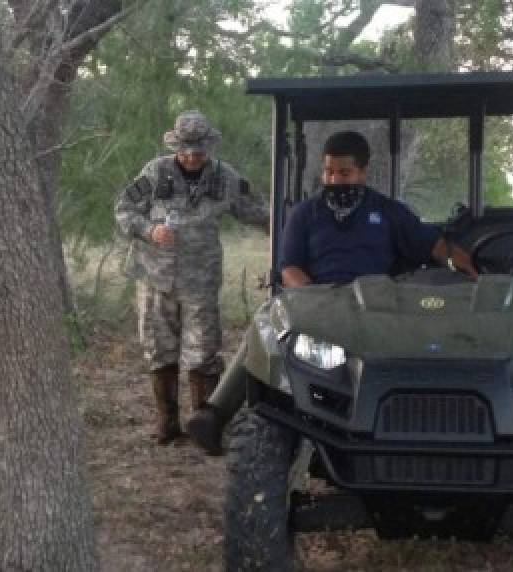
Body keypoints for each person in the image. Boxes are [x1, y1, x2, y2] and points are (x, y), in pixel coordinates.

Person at [185, 130, 476, 455]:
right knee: (268, 317)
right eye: (329, 172)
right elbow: (290, 267)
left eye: (344, 173)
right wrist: (314, 296)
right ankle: (215, 412)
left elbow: (437, 246)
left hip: (378, 304)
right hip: (319, 300)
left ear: (362, 173)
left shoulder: (390, 212)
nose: (335, 180)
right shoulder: (305, 214)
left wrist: (470, 270)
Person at [114, 110, 269, 445]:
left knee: (203, 353)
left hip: (200, 280)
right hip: (156, 278)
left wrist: (287, 224)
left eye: (198, 150)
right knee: (159, 350)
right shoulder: (155, 172)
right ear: (176, 146)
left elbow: (257, 212)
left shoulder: (225, 177)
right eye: (185, 149)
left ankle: (204, 425)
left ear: (209, 148)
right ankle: (167, 423)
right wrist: (149, 229)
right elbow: (124, 210)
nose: (192, 156)